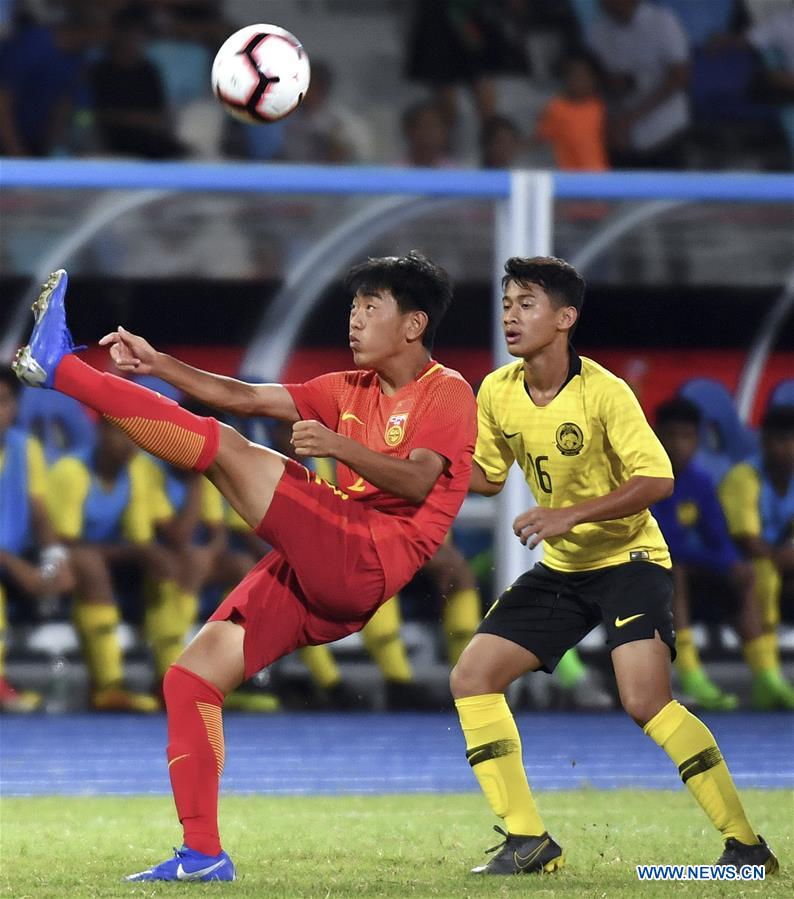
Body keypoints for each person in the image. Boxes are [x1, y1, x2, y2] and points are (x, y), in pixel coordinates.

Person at [13, 254, 477, 882]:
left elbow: (423, 481)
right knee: (190, 682)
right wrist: (158, 364)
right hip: (331, 564)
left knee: (226, 450)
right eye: (353, 306)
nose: (356, 319)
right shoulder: (347, 388)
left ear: (414, 323)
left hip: (368, 554)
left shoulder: (448, 392)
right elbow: (238, 395)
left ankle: (61, 369)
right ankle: (204, 855)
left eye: (373, 307)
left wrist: (338, 445)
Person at [449, 256, 778, 876]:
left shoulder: (603, 392)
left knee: (645, 701)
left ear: (565, 318)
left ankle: (746, 847)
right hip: (564, 568)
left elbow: (657, 478)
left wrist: (568, 515)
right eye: (507, 302)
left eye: (526, 303)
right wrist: (415, 472)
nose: (510, 315)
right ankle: (527, 842)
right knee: (472, 678)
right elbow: (488, 478)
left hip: (630, 559)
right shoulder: (495, 390)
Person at [652, 396, 793, 711]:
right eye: (671, 435)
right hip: (642, 582)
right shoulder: (643, 479)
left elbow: (719, 538)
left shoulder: (700, 483)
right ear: (655, 435)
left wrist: (732, 564)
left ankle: (766, 677)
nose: (678, 444)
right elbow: (666, 544)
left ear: (697, 441)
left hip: (689, 578)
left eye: (686, 436)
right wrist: (722, 561)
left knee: (744, 573)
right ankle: (689, 674)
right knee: (674, 569)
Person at [46, 419, 170, 712]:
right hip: (51, 561)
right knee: (90, 563)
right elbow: (65, 542)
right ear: (101, 432)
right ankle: (107, 686)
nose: (129, 442)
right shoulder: (72, 471)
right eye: (121, 433)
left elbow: (140, 540)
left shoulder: (138, 471)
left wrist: (150, 557)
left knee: (166, 564)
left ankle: (169, 679)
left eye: (135, 434)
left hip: (104, 560)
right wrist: (134, 553)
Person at [0, 369, 73, 712]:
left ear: (15, 406)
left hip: (13, 559)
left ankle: (113, 684)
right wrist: (16, 567)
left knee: (81, 571)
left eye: (2, 402)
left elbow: (40, 513)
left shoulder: (25, 447)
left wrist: (55, 559)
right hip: (7, 564)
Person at [719, 404, 794, 710]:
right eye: (780, 440)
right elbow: (748, 541)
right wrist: (783, 555)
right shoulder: (744, 476)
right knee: (762, 570)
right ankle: (769, 677)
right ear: (764, 442)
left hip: (784, 568)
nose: (787, 448)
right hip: (734, 571)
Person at [587, 0, 690, 169]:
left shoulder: (662, 21)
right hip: (616, 133)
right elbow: (590, 77)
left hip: (663, 129)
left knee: (666, 195)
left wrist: (632, 118)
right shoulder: (597, 29)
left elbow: (680, 75)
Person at [535, 53, 609, 171]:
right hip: (568, 179)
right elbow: (540, 140)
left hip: (598, 178)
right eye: (573, 74)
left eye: (583, 75)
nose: (578, 80)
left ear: (594, 78)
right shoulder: (556, 108)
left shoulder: (601, 107)